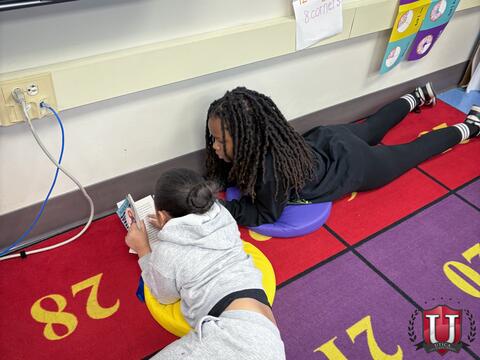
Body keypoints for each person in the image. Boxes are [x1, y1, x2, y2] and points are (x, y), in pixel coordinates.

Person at [205, 85, 480, 227]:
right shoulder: (267, 142)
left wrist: (216, 209)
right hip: (327, 139)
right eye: (213, 139)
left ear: (247, 138)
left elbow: (266, 214)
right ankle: (417, 96)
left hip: (354, 167)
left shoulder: (269, 173)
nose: (215, 147)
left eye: (220, 141)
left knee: (412, 152)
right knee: (373, 126)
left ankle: (470, 127)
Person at [125, 168, 285, 360]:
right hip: (265, 332)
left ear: (161, 216)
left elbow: (164, 296)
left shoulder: (166, 253)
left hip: (234, 336)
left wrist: (143, 249)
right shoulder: (224, 215)